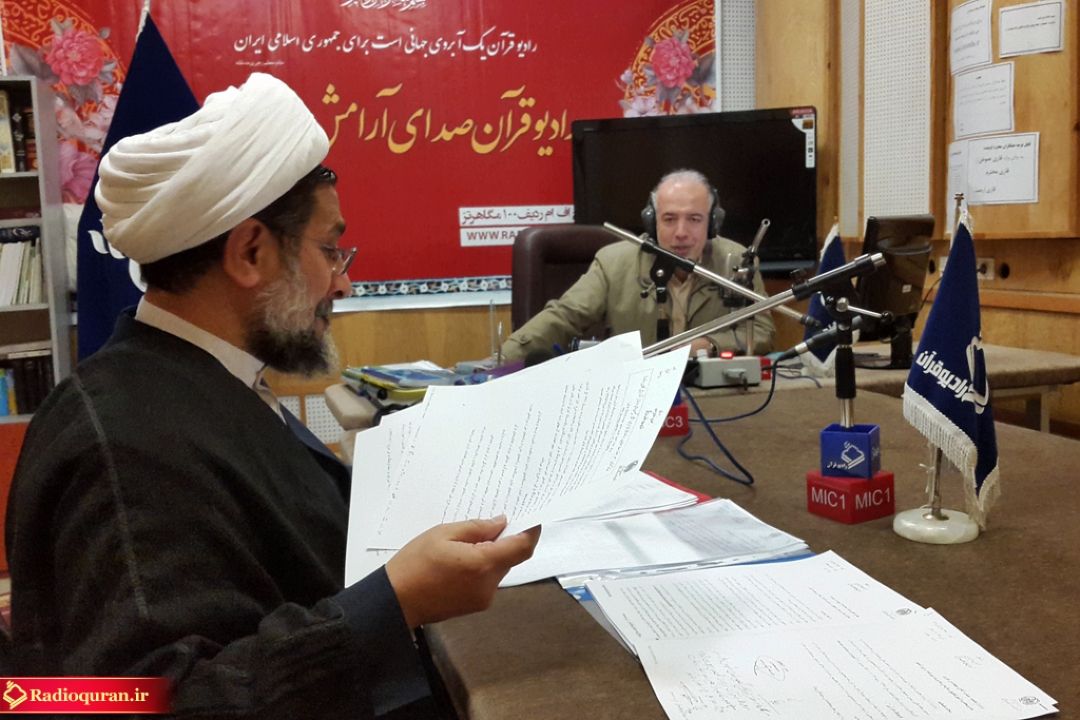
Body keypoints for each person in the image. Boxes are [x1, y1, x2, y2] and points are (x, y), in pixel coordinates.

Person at [5, 73, 539, 718]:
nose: (341, 284)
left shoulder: (202, 379)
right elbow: (144, 703)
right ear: (250, 253)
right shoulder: (122, 447)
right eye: (330, 250)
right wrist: (396, 602)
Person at [501, 169, 775, 361]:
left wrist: (709, 345)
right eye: (669, 219)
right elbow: (564, 317)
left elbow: (762, 331)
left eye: (694, 219)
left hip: (712, 395)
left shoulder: (737, 261)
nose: (681, 232)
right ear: (652, 222)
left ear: (712, 223)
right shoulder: (613, 263)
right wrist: (501, 360)